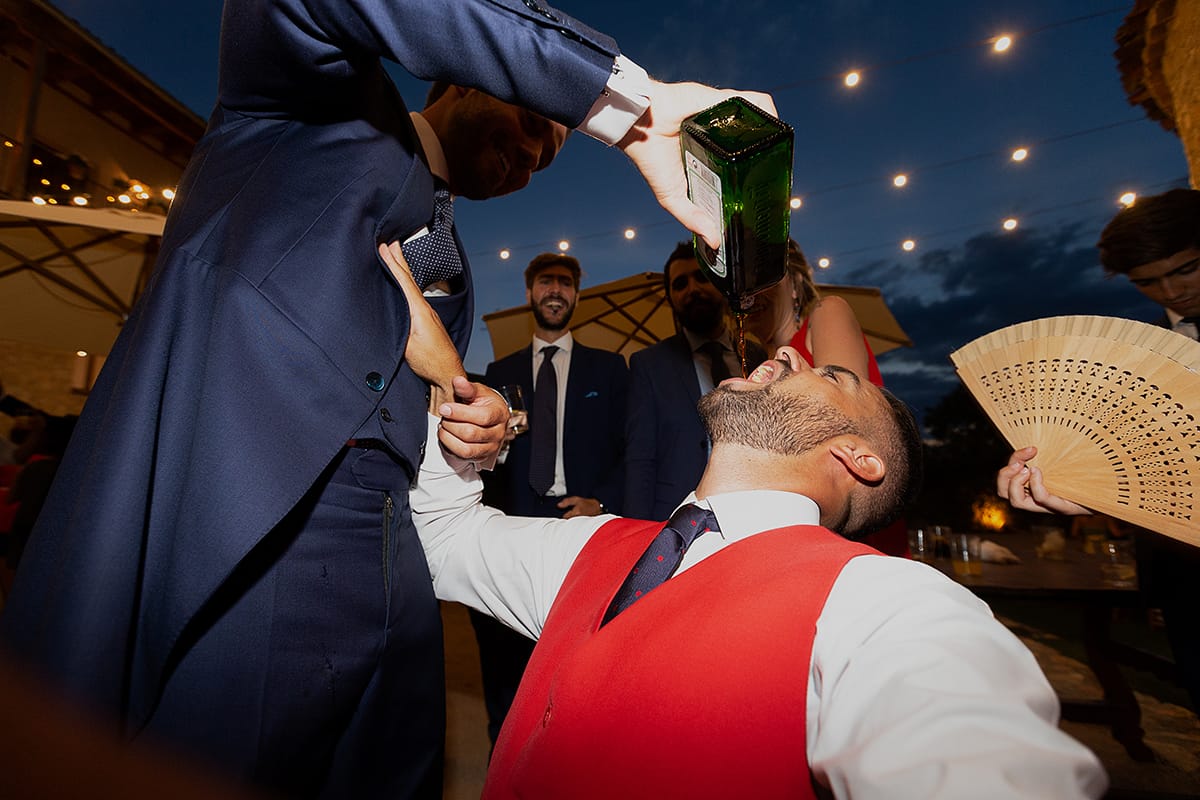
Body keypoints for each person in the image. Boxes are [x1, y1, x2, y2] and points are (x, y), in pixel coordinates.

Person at [0, 0, 777, 795]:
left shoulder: (456, 268)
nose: (539, 152)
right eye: (537, 121)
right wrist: (627, 109)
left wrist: (468, 429)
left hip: (395, 580)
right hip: (245, 534)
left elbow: (409, 408)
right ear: (469, 81)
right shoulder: (303, 106)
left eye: (549, 154)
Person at [411, 343, 1107, 799]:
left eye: (833, 375)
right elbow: (443, 541)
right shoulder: (593, 545)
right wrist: (468, 441)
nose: (783, 351)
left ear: (860, 459)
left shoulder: (885, 601)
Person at [997, 187, 1200, 713]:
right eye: (1148, 282)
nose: (1172, 291)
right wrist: (1089, 494)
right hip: (1189, 584)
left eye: (1187, 269)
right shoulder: (1147, 362)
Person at [474, 252, 628, 744]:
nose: (555, 290)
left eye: (565, 282)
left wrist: (601, 502)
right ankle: (506, 757)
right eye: (545, 282)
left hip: (580, 529)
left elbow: (633, 450)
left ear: (577, 294)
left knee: (578, 660)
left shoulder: (609, 370)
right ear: (529, 293)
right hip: (513, 528)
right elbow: (481, 466)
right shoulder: (500, 370)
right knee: (507, 665)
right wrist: (497, 447)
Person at [742, 237, 907, 555]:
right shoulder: (759, 365)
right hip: (796, 521)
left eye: (761, 280)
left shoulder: (826, 313)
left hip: (850, 515)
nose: (749, 296)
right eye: (741, 290)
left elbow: (841, 416)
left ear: (795, 284)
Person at [624, 241, 766, 519]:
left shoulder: (756, 355)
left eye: (702, 278)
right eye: (680, 284)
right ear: (671, 299)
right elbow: (640, 458)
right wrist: (635, 532)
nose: (692, 289)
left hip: (754, 507)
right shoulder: (649, 364)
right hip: (677, 515)